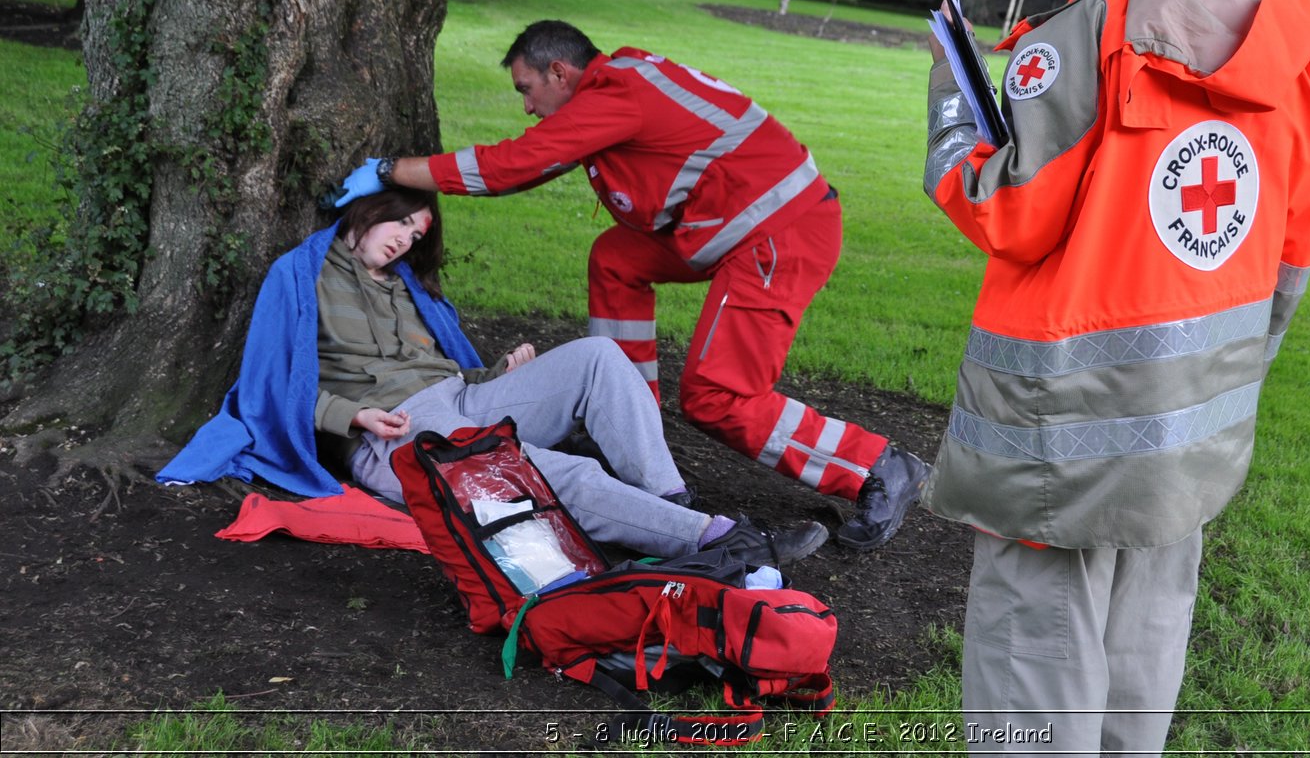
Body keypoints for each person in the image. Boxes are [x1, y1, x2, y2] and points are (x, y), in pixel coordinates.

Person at [921, 0, 1310, 755]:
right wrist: (1226, 379)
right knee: (1135, 681)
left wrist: (953, 98)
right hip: (1186, 442)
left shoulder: (1092, 30)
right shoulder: (1302, 36)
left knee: (1033, 689)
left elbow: (1003, 209)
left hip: (1053, 451)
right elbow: (1291, 249)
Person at [332, 22, 929, 551]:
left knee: (718, 396)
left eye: (526, 90)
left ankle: (878, 466)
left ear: (559, 73)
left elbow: (508, 165)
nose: (527, 108)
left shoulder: (614, 95)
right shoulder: (616, 84)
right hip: (735, 222)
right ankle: (629, 422)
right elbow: (531, 164)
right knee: (616, 258)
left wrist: (389, 171)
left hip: (777, 233)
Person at [158, 188, 829, 570]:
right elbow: (269, 385)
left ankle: (670, 500)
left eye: (416, 233)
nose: (404, 239)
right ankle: (720, 542)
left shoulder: (407, 288)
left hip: (464, 396)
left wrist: (500, 372)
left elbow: (443, 367)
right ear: (366, 211)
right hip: (398, 430)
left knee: (599, 358)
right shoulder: (300, 277)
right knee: (558, 474)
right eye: (399, 221)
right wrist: (349, 417)